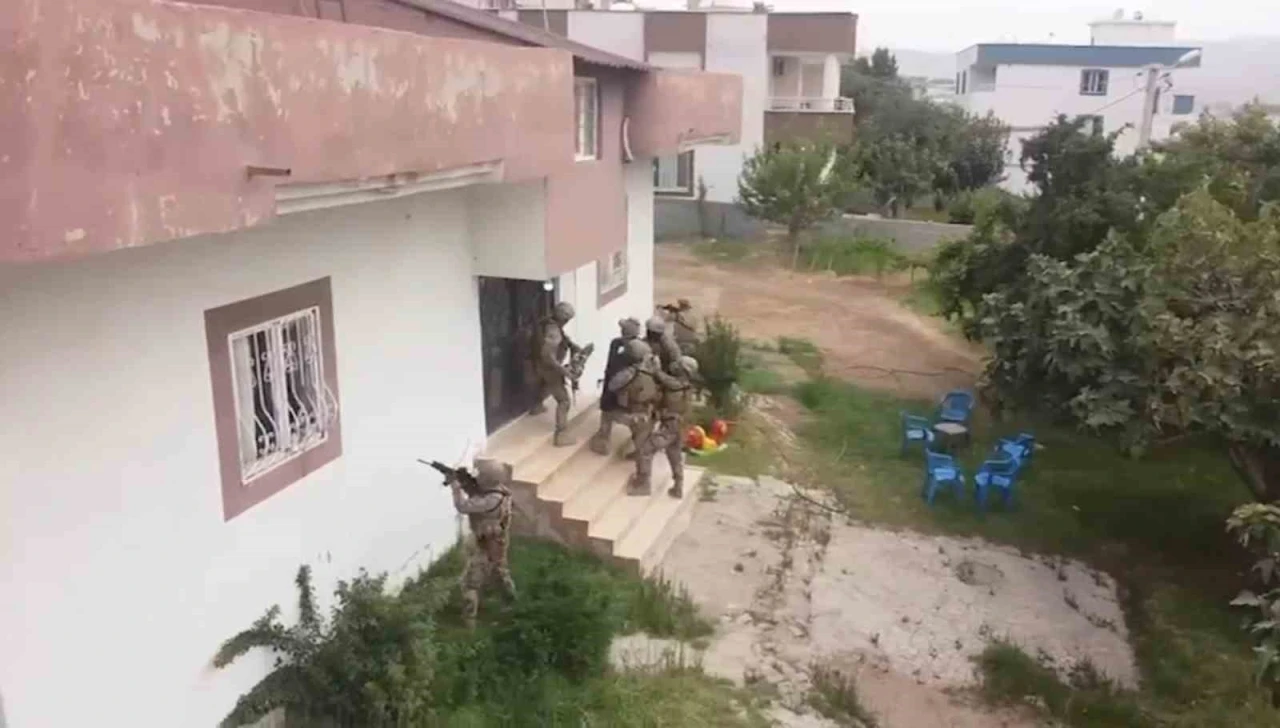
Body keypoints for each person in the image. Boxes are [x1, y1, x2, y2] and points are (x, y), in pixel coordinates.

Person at [447, 457, 516, 629]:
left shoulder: (492, 499)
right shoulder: (500, 491)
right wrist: (465, 481)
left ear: (487, 479)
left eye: (481, 475)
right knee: (499, 572)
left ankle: (468, 623)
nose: (477, 477)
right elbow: (477, 492)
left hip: (488, 544)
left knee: (470, 582)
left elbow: (463, 506)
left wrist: (455, 487)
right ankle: (512, 603)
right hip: (495, 541)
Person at [607, 339, 660, 494]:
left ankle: (643, 483)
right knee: (640, 440)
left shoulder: (629, 373)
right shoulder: (652, 370)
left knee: (643, 447)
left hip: (637, 412)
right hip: (647, 411)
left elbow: (612, 386)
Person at [529, 301, 582, 447]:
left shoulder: (547, 322)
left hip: (539, 366)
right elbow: (548, 356)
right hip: (549, 368)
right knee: (564, 401)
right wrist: (564, 371)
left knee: (545, 384)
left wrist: (571, 345)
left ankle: (537, 406)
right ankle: (561, 434)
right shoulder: (554, 333)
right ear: (564, 319)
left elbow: (562, 339)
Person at [590, 317, 642, 456]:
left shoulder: (617, 345)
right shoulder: (641, 346)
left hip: (617, 385)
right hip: (632, 388)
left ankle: (603, 441)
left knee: (608, 412)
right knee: (627, 413)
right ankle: (638, 442)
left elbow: (613, 367)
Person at [650, 355, 699, 498]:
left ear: (683, 370)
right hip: (681, 426)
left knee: (646, 449)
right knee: (675, 455)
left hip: (670, 425)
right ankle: (678, 485)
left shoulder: (675, 384)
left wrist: (655, 366)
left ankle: (642, 483)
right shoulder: (687, 386)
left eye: (679, 364)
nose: (675, 366)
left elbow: (660, 375)